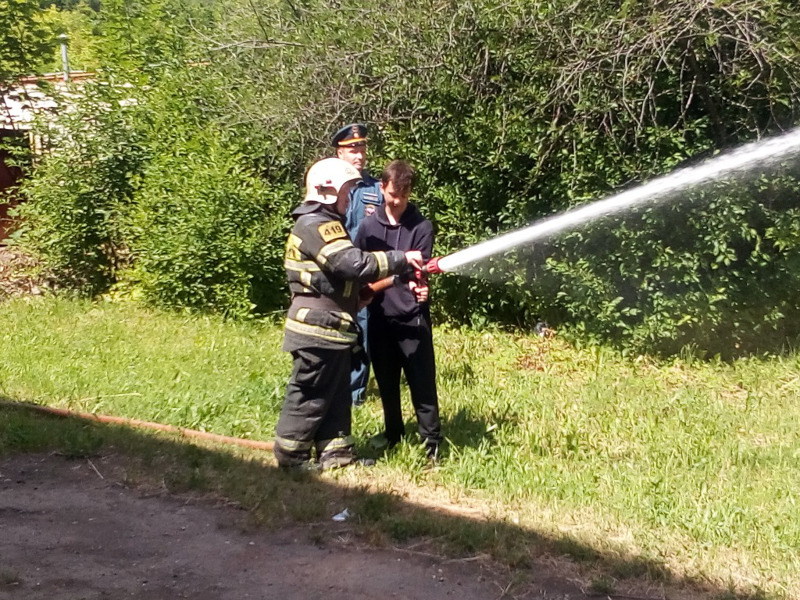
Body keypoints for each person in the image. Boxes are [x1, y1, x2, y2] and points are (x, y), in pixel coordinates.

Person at [273, 157, 422, 471]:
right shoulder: (317, 224)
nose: (349, 197)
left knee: (336, 394)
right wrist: (401, 258)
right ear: (326, 191)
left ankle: (337, 455)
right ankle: (292, 458)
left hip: (332, 327)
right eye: (346, 191)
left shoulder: (321, 224)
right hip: (317, 328)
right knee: (310, 395)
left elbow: (333, 279)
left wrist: (361, 296)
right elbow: (354, 265)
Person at [354, 160, 443, 462]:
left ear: (409, 193)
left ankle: (431, 444)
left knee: (422, 383)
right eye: (392, 194)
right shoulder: (367, 227)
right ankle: (393, 435)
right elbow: (360, 270)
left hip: (412, 317)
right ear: (382, 188)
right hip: (379, 317)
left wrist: (421, 288)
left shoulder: (421, 226)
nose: (397, 201)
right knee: (387, 383)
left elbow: (419, 271)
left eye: (403, 196)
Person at [331, 123, 384, 407]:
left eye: (362, 148)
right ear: (339, 152)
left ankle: (354, 396)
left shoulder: (376, 188)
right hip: (332, 270)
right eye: (353, 149)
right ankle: (330, 385)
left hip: (362, 272)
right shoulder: (327, 186)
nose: (359, 155)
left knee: (361, 333)